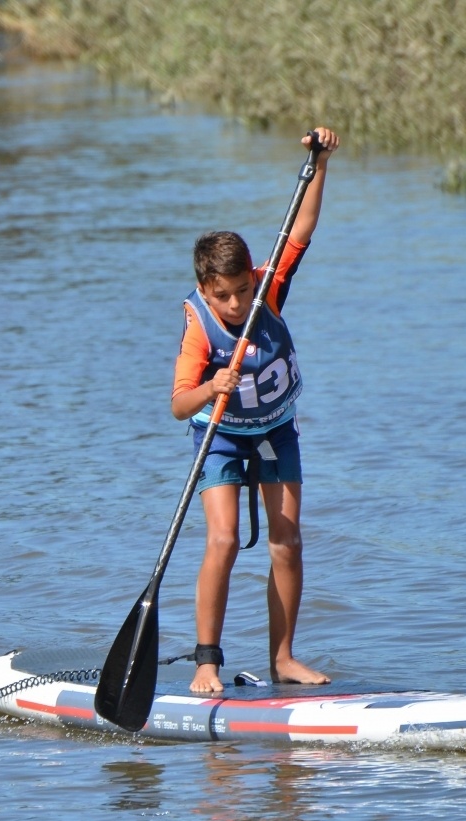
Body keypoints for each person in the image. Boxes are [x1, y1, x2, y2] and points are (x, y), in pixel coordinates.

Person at [171, 129, 339, 695]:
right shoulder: (200, 327)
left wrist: (318, 163)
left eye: (244, 289)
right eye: (226, 296)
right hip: (219, 437)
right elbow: (178, 405)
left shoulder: (267, 290)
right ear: (205, 289)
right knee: (222, 540)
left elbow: (301, 230)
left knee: (286, 540)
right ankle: (206, 664)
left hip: (274, 431)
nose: (239, 304)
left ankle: (284, 658)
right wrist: (211, 385)